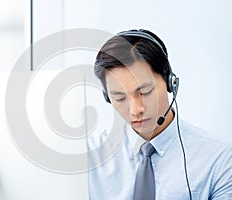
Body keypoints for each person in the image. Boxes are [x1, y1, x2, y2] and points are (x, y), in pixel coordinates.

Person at [87, 29, 232, 200]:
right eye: (119, 98)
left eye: (146, 92)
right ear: (107, 97)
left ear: (170, 81)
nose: (135, 109)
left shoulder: (219, 160)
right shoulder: (86, 156)